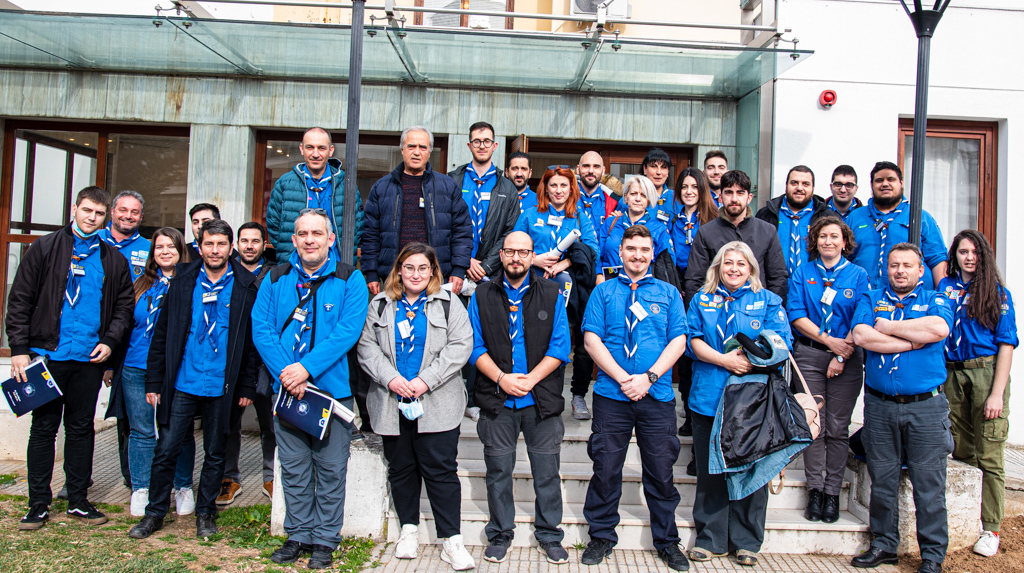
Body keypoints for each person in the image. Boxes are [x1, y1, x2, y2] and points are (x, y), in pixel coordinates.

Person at [8, 186, 134, 531]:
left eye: (99, 213)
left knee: (80, 429)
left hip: (88, 359)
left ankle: (78, 500)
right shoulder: (44, 248)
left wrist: (110, 341)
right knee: (43, 429)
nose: (92, 218)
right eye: (87, 210)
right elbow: (20, 300)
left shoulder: (113, 259)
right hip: (47, 357)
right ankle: (37, 504)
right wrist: (19, 349)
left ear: (106, 217)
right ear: (74, 209)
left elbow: (124, 307)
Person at [251, 209, 369, 570]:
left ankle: (325, 540)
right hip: (287, 392)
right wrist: (288, 374)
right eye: (302, 233)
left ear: (330, 239)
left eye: (317, 233)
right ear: (294, 239)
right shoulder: (275, 278)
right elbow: (261, 329)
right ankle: (298, 535)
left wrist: (306, 369)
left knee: (331, 470)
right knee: (294, 469)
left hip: (331, 393)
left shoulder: (350, 278)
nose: (309, 240)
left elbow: (347, 332)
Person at [128, 219, 260, 541]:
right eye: (208, 244)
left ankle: (205, 513)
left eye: (221, 244)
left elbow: (252, 343)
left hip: (222, 385)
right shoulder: (182, 281)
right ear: (199, 247)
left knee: (215, 452)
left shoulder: (246, 286)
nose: (214, 250)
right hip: (183, 381)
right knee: (166, 448)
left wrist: (246, 385)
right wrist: (154, 381)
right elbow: (162, 335)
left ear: (231, 248)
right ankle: (155, 513)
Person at [357, 242, 475, 569]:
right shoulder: (381, 304)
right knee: (401, 469)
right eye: (408, 267)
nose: (415, 274)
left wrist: (426, 380)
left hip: (437, 403)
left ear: (433, 271)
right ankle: (408, 530)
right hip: (391, 402)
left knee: (441, 471)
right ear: (399, 270)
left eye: (423, 268)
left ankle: (451, 540)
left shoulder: (449, 303)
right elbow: (367, 348)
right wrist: (391, 379)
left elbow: (461, 345)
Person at [580, 225, 689, 571]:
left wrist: (648, 378)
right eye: (631, 249)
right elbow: (591, 340)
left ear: (652, 253)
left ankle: (667, 541)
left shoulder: (669, 293)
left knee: (661, 472)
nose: (638, 255)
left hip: (656, 396)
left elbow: (679, 341)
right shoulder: (603, 292)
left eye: (644, 249)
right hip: (612, 396)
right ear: (621, 252)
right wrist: (624, 379)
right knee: (606, 469)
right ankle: (600, 536)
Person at [684, 241, 791, 567]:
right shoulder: (701, 299)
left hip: (751, 399)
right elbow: (692, 341)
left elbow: (782, 342)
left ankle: (746, 541)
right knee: (710, 471)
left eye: (741, 264)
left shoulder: (767, 300)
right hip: (709, 396)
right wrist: (724, 360)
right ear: (717, 267)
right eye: (728, 262)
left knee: (751, 468)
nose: (733, 268)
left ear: (751, 269)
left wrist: (751, 357)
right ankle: (710, 539)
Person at [467, 231, 572, 565]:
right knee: (498, 471)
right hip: (497, 398)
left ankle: (550, 534)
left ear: (532, 256)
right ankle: (500, 533)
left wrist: (530, 380)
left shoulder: (552, 293)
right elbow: (473, 346)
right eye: (510, 252)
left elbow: (561, 347)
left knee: (547, 472)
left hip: (541, 400)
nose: (516, 258)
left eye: (523, 252)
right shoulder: (482, 294)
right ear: (501, 255)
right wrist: (502, 379)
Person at [850, 243, 954, 573]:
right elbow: (861, 335)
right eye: (895, 265)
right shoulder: (871, 297)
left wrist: (889, 327)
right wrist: (912, 340)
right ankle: (884, 545)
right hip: (880, 406)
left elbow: (938, 329)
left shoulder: (936, 299)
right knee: (882, 481)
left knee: (928, 485)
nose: (900, 271)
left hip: (926, 408)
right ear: (887, 268)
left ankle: (932, 556)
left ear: (920, 270)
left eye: (907, 265)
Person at [104, 228, 198, 517]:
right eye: (159, 247)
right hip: (136, 366)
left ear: (181, 251)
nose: (165, 251)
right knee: (142, 430)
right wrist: (110, 364)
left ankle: (182, 486)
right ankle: (142, 487)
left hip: (175, 370)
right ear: (152, 253)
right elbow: (122, 324)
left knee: (178, 431)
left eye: (171, 246)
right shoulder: (140, 284)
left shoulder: (191, 284)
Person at [786, 216, 869, 523]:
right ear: (815, 241)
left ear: (844, 242)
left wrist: (842, 354)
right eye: (822, 236)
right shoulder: (802, 273)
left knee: (837, 427)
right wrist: (830, 343)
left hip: (848, 357)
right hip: (810, 355)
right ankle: (815, 490)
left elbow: (862, 316)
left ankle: (833, 492)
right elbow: (796, 315)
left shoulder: (858, 275)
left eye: (835, 236)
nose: (828, 241)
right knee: (814, 424)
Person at [940, 230, 1017, 557]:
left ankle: (991, 528)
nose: (969, 257)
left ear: (983, 255)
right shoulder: (945, 287)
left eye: (974, 252)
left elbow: (1006, 344)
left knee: (989, 453)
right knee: (961, 448)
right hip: (952, 373)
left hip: (984, 372)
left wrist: (996, 393)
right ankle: (966, 519)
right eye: (963, 252)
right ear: (954, 256)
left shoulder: (997, 292)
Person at [513, 167, 598, 419]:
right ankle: (531, 391)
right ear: (545, 189)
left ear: (571, 189)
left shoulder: (579, 217)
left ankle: (569, 396)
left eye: (564, 186)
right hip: (532, 286)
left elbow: (592, 249)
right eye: (553, 186)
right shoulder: (530, 215)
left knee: (569, 341)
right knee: (533, 339)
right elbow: (513, 245)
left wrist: (565, 263)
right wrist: (535, 260)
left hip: (569, 290)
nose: (558, 191)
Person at [362, 126, 472, 298]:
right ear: (402, 149)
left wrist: (459, 269)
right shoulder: (381, 188)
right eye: (411, 146)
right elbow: (370, 234)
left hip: (437, 276)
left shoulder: (447, 187)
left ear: (429, 152)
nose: (416, 152)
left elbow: (462, 231)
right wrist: (371, 272)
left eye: (423, 147)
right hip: (394, 277)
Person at [218, 222, 277, 505]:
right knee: (229, 424)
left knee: (271, 424)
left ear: (264, 245)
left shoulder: (275, 275)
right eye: (244, 241)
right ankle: (229, 478)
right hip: (234, 360)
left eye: (255, 241)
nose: (250, 246)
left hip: (265, 361)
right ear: (236, 245)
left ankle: (271, 477)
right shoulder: (226, 273)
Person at [99, 189, 152, 494]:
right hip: (91, 336)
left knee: (128, 414)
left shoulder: (148, 248)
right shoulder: (95, 242)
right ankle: (75, 479)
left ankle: (132, 477)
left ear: (141, 217)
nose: (128, 216)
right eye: (123, 210)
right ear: (112, 212)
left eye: (134, 212)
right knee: (79, 416)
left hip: (128, 338)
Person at [685, 170, 787, 307]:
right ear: (720, 197)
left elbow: (778, 278)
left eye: (740, 193)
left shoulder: (767, 231)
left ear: (749, 197)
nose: (734, 199)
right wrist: (697, 313)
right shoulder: (705, 232)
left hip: (757, 311)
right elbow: (694, 279)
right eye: (728, 192)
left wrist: (772, 310)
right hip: (716, 310)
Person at [669, 167, 718, 445]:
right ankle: (688, 412)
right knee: (685, 357)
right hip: (678, 291)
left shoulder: (714, 220)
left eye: (694, 187)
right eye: (684, 187)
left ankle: (700, 412)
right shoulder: (670, 219)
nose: (689, 192)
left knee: (703, 353)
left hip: (706, 294)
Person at [266, 127, 364, 264]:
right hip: (295, 267)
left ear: (331, 150)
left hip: (337, 267)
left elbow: (358, 226)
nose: (315, 154)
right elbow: (273, 224)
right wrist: (289, 251)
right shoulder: (284, 184)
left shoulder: (346, 184)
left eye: (321, 148)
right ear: (302, 149)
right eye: (310, 147)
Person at [848, 161, 947, 289]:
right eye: (879, 180)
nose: (885, 184)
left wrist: (942, 297)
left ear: (901, 183)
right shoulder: (855, 217)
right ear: (871, 185)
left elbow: (937, 260)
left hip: (913, 298)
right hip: (865, 295)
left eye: (891, 179)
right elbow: (843, 258)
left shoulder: (920, 217)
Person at [448, 122, 521, 283]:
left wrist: (486, 266)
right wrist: (464, 259)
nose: (482, 146)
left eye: (487, 141)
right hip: (455, 269)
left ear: (494, 145)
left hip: (492, 273)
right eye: (477, 141)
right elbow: (444, 226)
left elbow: (510, 231)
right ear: (469, 145)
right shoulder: (451, 181)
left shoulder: (508, 188)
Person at [597, 175, 675, 285]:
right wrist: (599, 276)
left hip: (644, 287)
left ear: (648, 200)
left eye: (643, 195)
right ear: (625, 197)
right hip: (610, 285)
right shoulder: (610, 223)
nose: (638, 199)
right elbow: (598, 255)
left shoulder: (659, 229)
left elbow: (667, 264)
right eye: (633, 193)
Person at [755, 165, 831, 277]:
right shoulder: (766, 214)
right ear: (786, 186)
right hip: (775, 283)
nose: (799, 188)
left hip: (813, 283)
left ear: (813, 188)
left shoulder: (827, 217)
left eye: (805, 184)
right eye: (794, 183)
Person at [577, 151, 617, 237]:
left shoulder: (615, 201)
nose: (591, 171)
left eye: (596, 166)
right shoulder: (564, 196)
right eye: (586, 166)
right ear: (578, 169)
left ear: (603, 171)